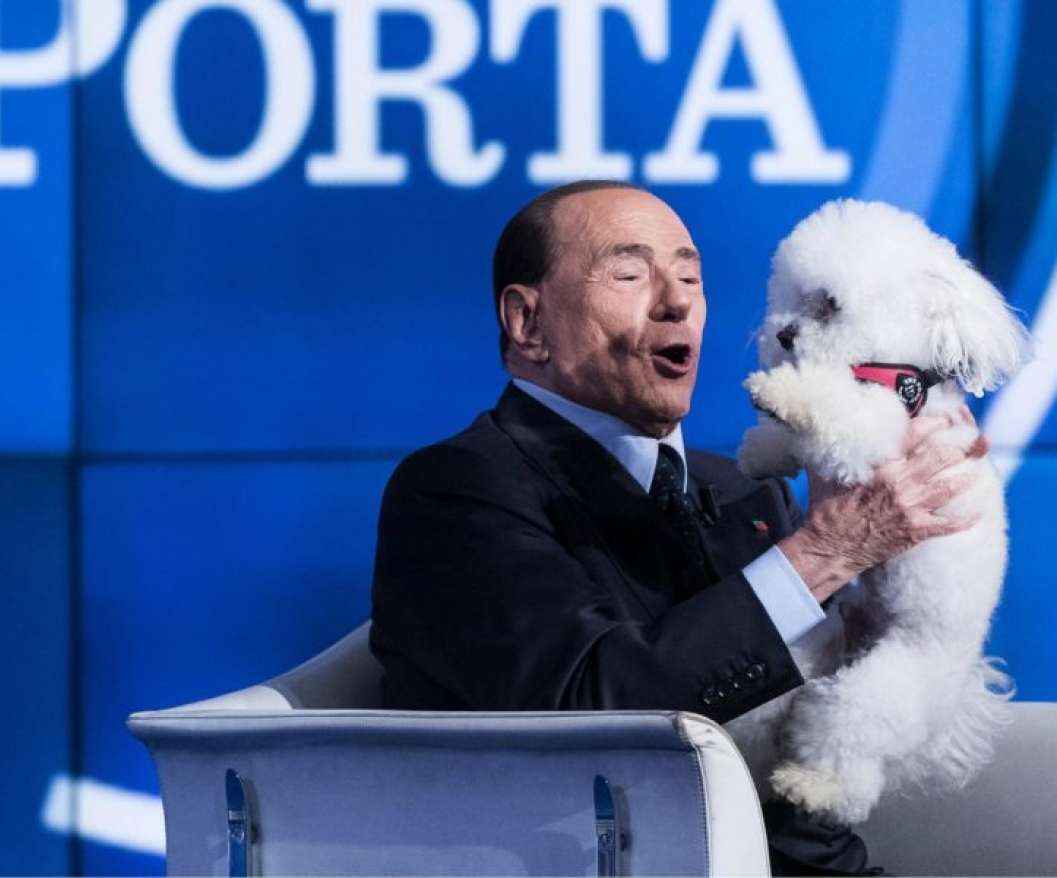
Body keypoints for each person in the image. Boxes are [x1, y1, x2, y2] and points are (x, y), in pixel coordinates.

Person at [369, 180, 984, 875]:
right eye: (630, 274)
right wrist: (824, 552)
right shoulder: (456, 489)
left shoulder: (745, 486)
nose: (677, 302)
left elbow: (801, 763)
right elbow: (586, 716)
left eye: (690, 277)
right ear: (527, 322)